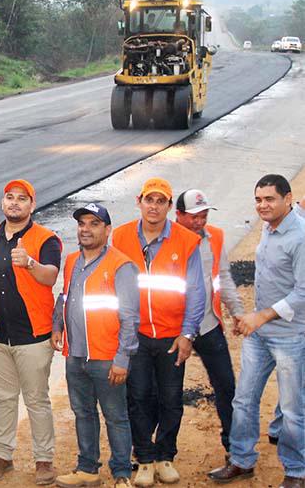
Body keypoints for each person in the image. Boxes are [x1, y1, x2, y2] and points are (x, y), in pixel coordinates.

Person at [209, 174, 305, 488]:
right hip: (260, 335)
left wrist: (259, 316)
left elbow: (302, 293)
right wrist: (247, 318)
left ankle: (295, 471)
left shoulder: (300, 237)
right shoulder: (268, 227)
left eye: (270, 199)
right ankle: (241, 460)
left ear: (288, 199)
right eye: (259, 199)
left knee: (291, 409)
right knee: (243, 399)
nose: (262, 205)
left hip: (291, 336)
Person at [111, 177, 205, 486]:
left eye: (161, 201)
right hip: (135, 336)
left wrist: (188, 334)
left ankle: (166, 456)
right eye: (149, 200)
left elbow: (195, 292)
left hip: (171, 336)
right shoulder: (121, 237)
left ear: (168, 205)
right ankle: (146, 459)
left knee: (171, 399)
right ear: (139, 202)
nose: (154, 206)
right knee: (137, 397)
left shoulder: (185, 240)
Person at [0, 179, 62, 485]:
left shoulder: (46, 238)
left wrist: (29, 263)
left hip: (33, 336)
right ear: (2, 203)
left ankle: (44, 460)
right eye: (9, 198)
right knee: (4, 399)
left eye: (22, 199)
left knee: (37, 400)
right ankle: (3, 455)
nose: (15, 203)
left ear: (32, 205)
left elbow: (50, 276)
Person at [51, 203, 140, 488]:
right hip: (75, 356)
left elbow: (129, 317)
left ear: (107, 229)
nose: (85, 229)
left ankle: (122, 474)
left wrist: (122, 358)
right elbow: (64, 297)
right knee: (83, 413)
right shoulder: (72, 260)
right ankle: (87, 469)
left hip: (106, 357)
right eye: (82, 224)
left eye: (93, 223)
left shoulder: (121, 265)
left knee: (116, 417)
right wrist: (57, 326)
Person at [174, 189, 244, 458]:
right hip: (174, 329)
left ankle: (235, 448)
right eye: (193, 217)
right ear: (178, 215)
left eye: (203, 216)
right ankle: (152, 453)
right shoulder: (167, 241)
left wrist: (236, 311)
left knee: (226, 386)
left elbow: (222, 278)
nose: (200, 222)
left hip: (208, 325)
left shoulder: (215, 237)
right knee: (164, 395)